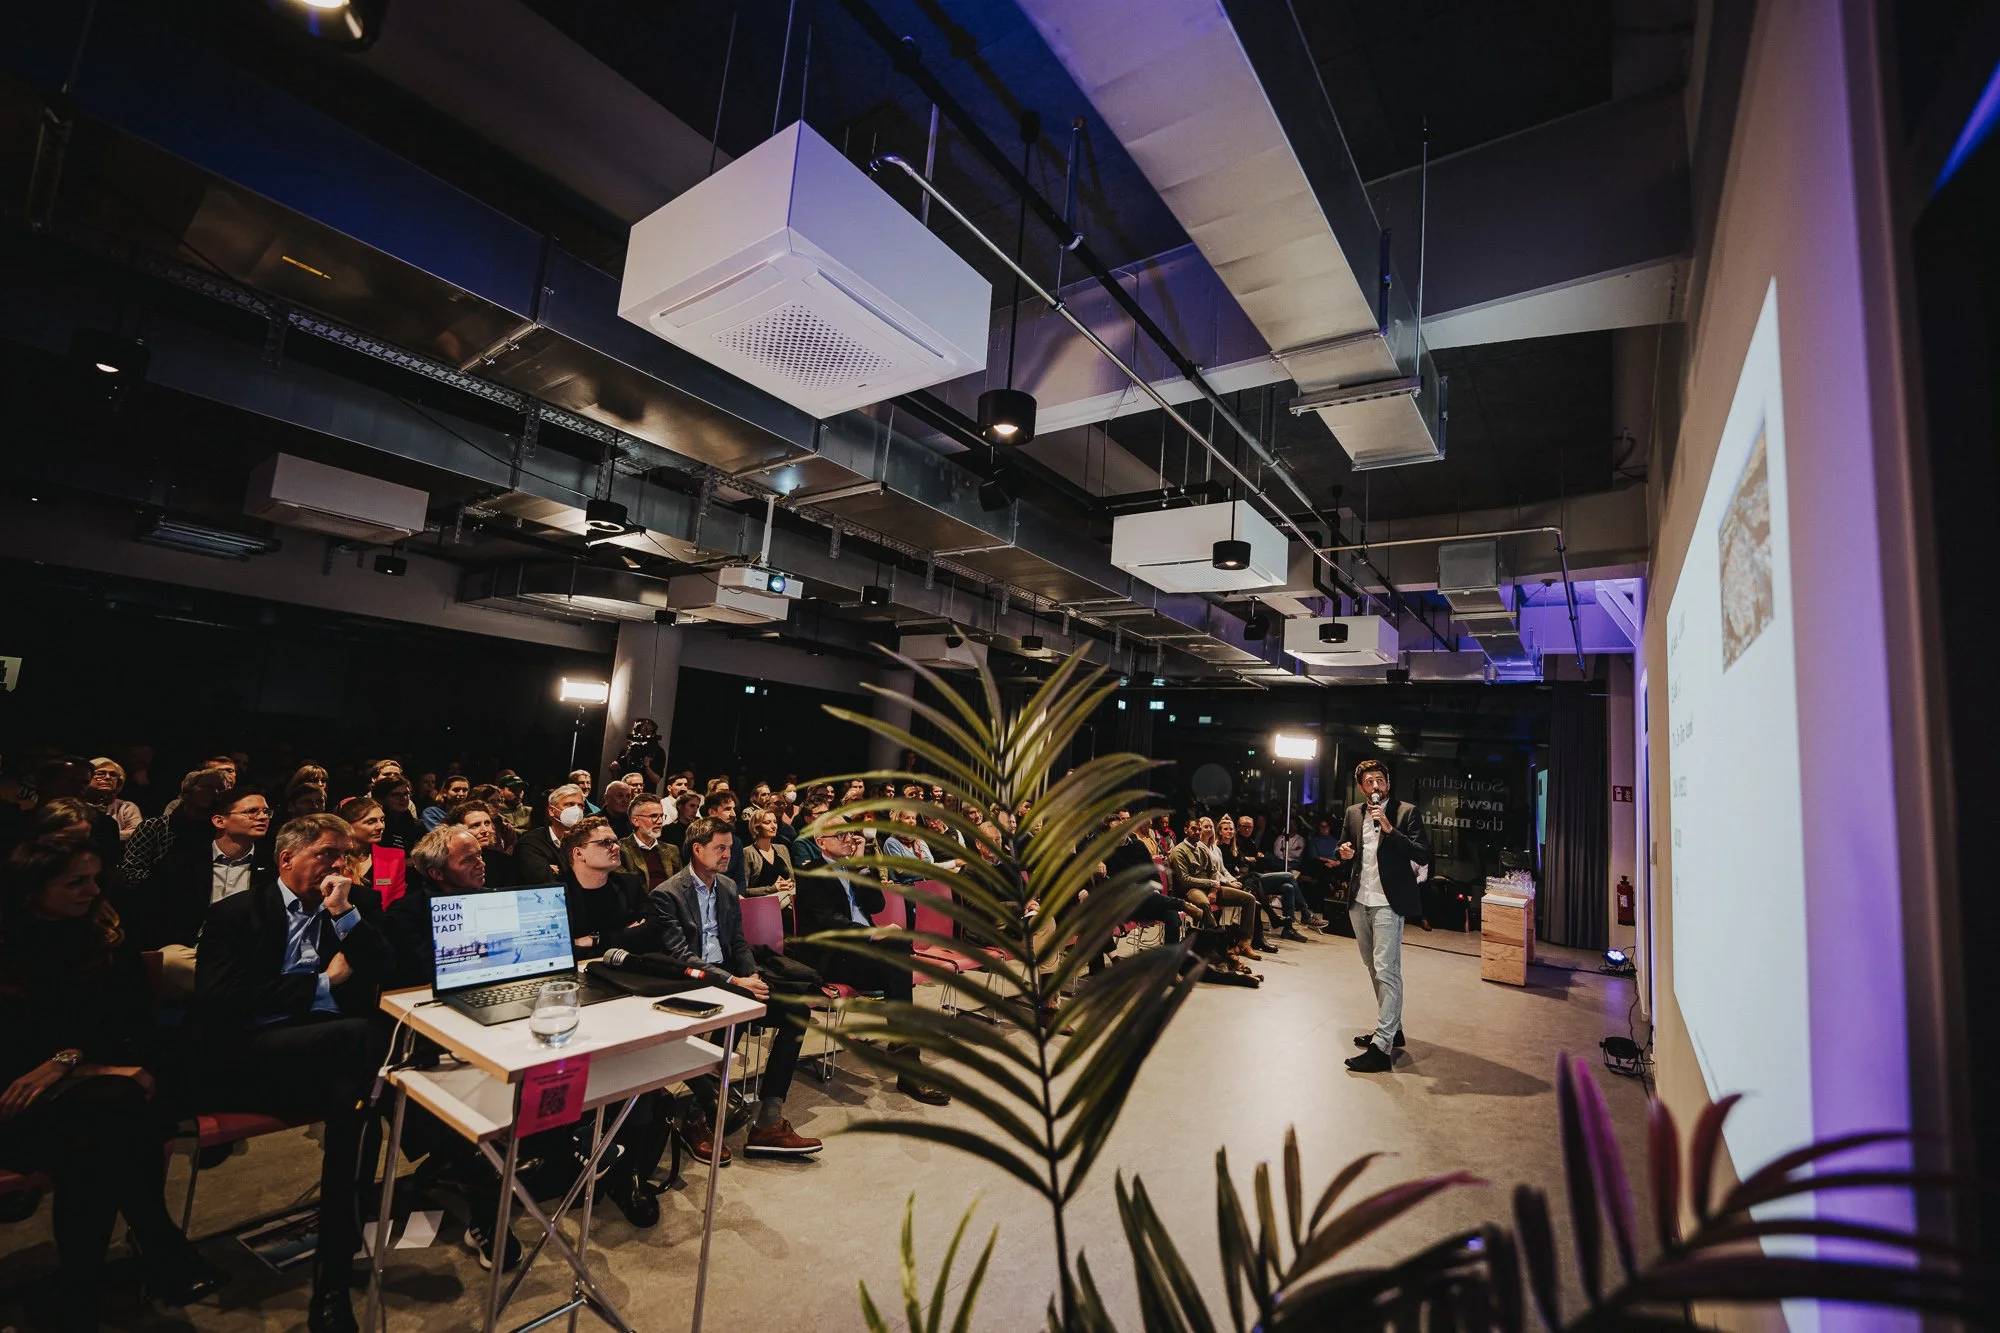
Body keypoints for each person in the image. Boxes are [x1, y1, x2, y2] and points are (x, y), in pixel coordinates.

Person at [0, 836, 229, 1329]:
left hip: (95, 1097)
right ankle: (159, 1243)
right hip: (16, 1098)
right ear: (31, 889)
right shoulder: (9, 945)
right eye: (75, 882)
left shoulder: (101, 935)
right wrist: (76, 1062)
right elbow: (15, 1053)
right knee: (119, 1115)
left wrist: (70, 1060)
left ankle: (78, 1291)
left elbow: (124, 1027)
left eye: (95, 879)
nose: (91, 890)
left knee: (101, 1138)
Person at [191, 814, 393, 1333]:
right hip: (253, 1053)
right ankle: (449, 1148)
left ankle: (331, 1282)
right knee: (368, 1043)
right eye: (327, 854)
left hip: (327, 1059)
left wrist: (345, 915)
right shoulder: (235, 913)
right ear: (287, 859)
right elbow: (221, 1003)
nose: (340, 866)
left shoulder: (353, 906)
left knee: (357, 1102)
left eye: (345, 855)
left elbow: (387, 969)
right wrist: (321, 986)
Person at [648, 818, 820, 1160]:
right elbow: (682, 956)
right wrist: (734, 982)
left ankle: (768, 1121)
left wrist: (752, 975)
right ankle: (698, 1116)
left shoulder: (726, 886)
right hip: (691, 982)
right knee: (739, 1009)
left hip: (733, 979)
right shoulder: (667, 893)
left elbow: (739, 943)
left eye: (730, 847)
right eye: (720, 848)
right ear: (697, 850)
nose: (728, 854)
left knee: (797, 1012)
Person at [791, 818, 949, 1106]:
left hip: (866, 957)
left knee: (897, 957)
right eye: (839, 835)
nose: (848, 839)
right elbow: (830, 922)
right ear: (820, 842)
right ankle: (907, 1064)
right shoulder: (810, 874)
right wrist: (872, 934)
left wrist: (863, 863)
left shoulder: (853, 867)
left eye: (850, 834)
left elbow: (876, 905)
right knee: (897, 954)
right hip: (834, 955)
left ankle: (906, 1058)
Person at [1339, 761, 1432, 1073]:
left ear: (1388, 784)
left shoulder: (1407, 812)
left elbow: (1422, 854)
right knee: (1372, 967)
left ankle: (1382, 1046)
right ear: (1362, 787)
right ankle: (1394, 1028)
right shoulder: (1353, 812)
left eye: (1380, 780)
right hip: (1359, 899)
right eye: (1369, 781)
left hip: (1388, 902)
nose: (1375, 786)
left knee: (1386, 969)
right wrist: (1344, 851)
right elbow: (1344, 844)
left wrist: (1390, 830)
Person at [144, 785, 275, 948]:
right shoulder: (180, 864)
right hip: (192, 950)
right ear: (220, 821)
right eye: (252, 811)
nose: (263, 817)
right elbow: (157, 918)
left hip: (248, 952)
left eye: (266, 812)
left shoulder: (273, 866)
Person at [1166, 818, 1261, 966]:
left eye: (1199, 829)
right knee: (1204, 903)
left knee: (1248, 898)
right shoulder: (1178, 851)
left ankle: (1243, 942)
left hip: (1210, 887)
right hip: (1191, 889)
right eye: (1194, 829)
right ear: (1186, 830)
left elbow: (1214, 871)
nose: (1197, 832)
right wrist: (1211, 883)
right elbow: (1185, 879)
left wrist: (1213, 889)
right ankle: (1216, 945)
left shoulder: (1202, 847)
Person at [558, 817, 654, 961]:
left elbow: (652, 931)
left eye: (616, 842)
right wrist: (625, 935)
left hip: (624, 966)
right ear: (578, 853)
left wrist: (595, 940)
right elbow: (561, 950)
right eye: (606, 842)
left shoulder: (629, 884)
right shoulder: (556, 894)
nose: (616, 847)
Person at [120, 767, 230, 887]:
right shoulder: (155, 826)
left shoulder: (223, 831)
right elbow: (131, 871)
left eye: (221, 789)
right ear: (187, 792)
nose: (215, 792)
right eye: (207, 787)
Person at [1235, 814, 1311, 940]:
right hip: (1249, 879)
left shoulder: (1250, 841)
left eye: (1250, 827)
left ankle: (1288, 928)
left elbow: (1260, 860)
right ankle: (1305, 913)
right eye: (1244, 827)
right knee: (1289, 876)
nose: (1247, 829)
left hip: (1258, 876)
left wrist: (1255, 859)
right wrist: (1253, 859)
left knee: (1288, 888)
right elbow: (1243, 861)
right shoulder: (1236, 842)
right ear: (1238, 828)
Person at [338, 796, 407, 908]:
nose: (381, 826)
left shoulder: (394, 857)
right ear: (348, 826)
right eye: (371, 821)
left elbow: (397, 902)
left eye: (382, 820)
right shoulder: (333, 860)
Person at [514, 784, 587, 883]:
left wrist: (558, 872)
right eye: (569, 804)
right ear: (552, 811)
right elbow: (544, 881)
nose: (576, 810)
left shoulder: (588, 840)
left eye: (580, 806)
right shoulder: (531, 843)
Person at [447, 799, 518, 889]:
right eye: (475, 825)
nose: (485, 830)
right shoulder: (447, 861)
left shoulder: (504, 862)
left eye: (487, 823)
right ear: (457, 829)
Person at [619, 792, 680, 890]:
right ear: (635, 821)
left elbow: (679, 886)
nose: (660, 821)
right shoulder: (620, 850)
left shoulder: (672, 850)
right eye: (654, 816)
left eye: (661, 816)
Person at [82, 757, 143, 841]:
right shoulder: (74, 805)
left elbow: (138, 833)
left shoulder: (125, 807)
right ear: (86, 776)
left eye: (113, 775)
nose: (107, 777)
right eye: (100, 773)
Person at [739, 808, 794, 895]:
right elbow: (743, 890)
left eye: (775, 822)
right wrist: (772, 889)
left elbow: (792, 879)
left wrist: (790, 884)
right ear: (756, 827)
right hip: (763, 905)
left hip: (788, 901)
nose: (773, 826)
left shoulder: (782, 848)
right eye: (767, 823)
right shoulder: (748, 852)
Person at [613, 717, 665, 792]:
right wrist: (615, 769)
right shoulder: (627, 750)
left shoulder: (658, 752)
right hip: (626, 792)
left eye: (650, 731)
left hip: (646, 793)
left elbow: (656, 780)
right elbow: (617, 778)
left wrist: (647, 766)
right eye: (645, 730)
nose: (647, 733)